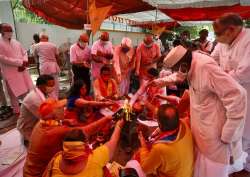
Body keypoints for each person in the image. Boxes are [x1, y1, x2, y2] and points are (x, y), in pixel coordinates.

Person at [151, 45, 247, 177]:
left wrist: (229, 133)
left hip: (215, 136)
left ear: (183, 64)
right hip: (200, 130)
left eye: (175, 68)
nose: (176, 72)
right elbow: (178, 76)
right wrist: (160, 82)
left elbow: (237, 95)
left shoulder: (206, 68)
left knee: (213, 171)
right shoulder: (188, 63)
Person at [23, 98, 113, 177]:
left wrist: (64, 121)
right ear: (54, 114)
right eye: (60, 108)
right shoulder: (56, 132)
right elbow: (86, 130)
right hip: (39, 174)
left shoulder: (40, 123)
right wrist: (107, 119)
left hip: (28, 170)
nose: (63, 109)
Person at [211, 13, 250, 176]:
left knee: (245, 132)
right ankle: (233, 164)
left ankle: (245, 169)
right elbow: (212, 60)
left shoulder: (248, 40)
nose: (216, 37)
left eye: (219, 33)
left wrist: (221, 76)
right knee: (230, 131)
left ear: (232, 29)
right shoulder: (223, 41)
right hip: (227, 94)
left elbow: (244, 73)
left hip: (247, 95)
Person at [42, 118, 124, 177]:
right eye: (87, 141)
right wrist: (118, 126)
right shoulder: (94, 159)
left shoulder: (56, 159)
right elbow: (113, 141)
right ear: (84, 147)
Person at [136, 104, 194, 177]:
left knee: (137, 159)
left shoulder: (160, 148)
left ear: (160, 124)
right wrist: (159, 131)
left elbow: (144, 169)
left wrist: (142, 142)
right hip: (187, 173)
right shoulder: (183, 124)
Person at [0, 23, 34, 115]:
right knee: (13, 92)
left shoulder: (16, 42)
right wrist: (19, 63)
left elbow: (24, 52)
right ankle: (16, 110)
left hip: (22, 70)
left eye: (11, 30)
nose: (10, 32)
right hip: (10, 72)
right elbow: (2, 58)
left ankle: (29, 107)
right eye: (7, 30)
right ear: (1, 31)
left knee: (27, 89)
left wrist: (24, 61)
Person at [17, 75, 55, 143]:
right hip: (28, 127)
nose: (52, 88)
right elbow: (47, 117)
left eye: (53, 85)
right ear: (40, 86)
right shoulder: (34, 98)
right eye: (50, 86)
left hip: (37, 122)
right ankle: (27, 140)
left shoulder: (44, 92)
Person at [33, 33, 60, 99]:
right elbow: (57, 56)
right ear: (47, 39)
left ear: (40, 38)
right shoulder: (53, 45)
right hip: (53, 66)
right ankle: (55, 98)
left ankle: (46, 99)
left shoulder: (36, 46)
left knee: (45, 84)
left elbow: (35, 56)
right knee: (55, 83)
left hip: (44, 67)